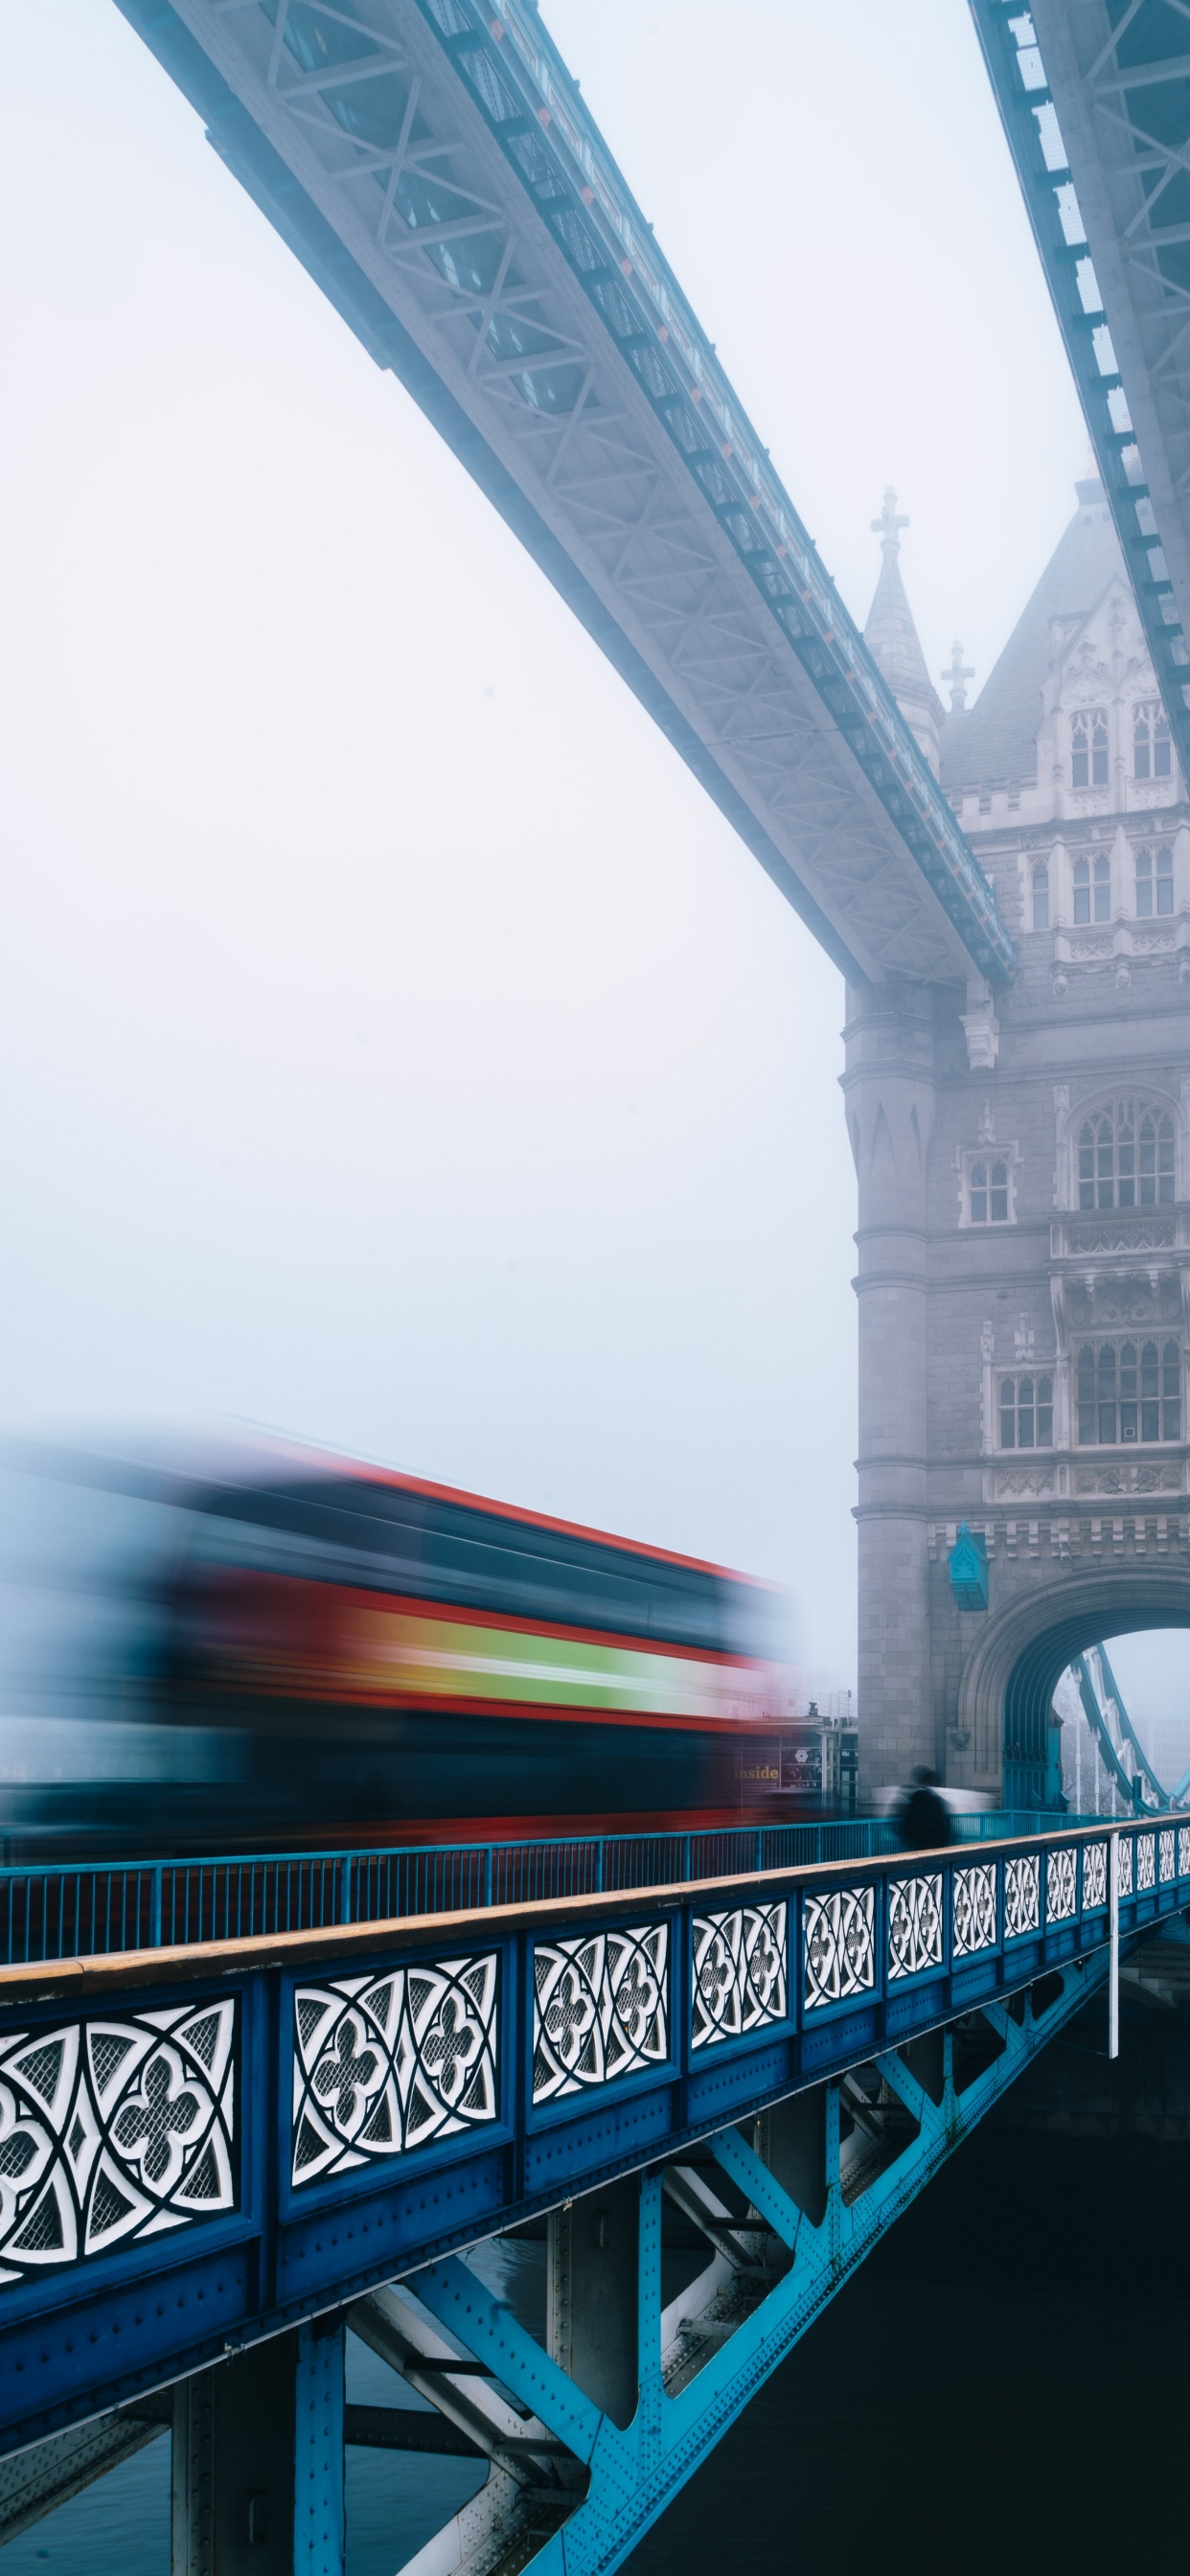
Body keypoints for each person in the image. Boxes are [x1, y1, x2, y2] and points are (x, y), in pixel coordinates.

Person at [895, 1764, 952, 1851]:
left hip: (921, 1846)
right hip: (938, 1846)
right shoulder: (936, 1801)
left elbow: (907, 1826)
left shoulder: (914, 1803)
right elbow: (944, 1826)